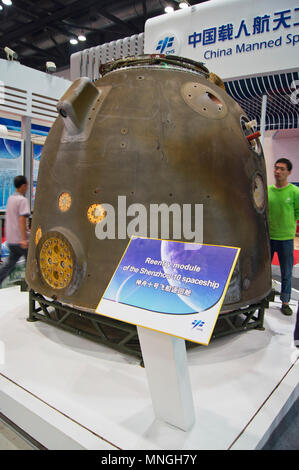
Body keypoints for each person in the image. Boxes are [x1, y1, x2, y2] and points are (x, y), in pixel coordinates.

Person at [268, 158, 299, 315]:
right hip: (269, 238)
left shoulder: (294, 192)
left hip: (286, 239)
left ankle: (285, 302)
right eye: (276, 168)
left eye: (281, 169)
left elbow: (297, 212)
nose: (277, 171)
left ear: (289, 172)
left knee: (286, 271)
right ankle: (264, 296)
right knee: (264, 270)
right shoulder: (267, 191)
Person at [0, 175, 30, 286]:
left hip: (11, 240)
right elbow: (22, 219)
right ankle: (33, 285)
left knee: (9, 264)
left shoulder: (11, 199)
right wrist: (24, 239)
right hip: (20, 241)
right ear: (23, 186)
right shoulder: (22, 200)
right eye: (26, 185)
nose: (27, 188)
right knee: (32, 263)